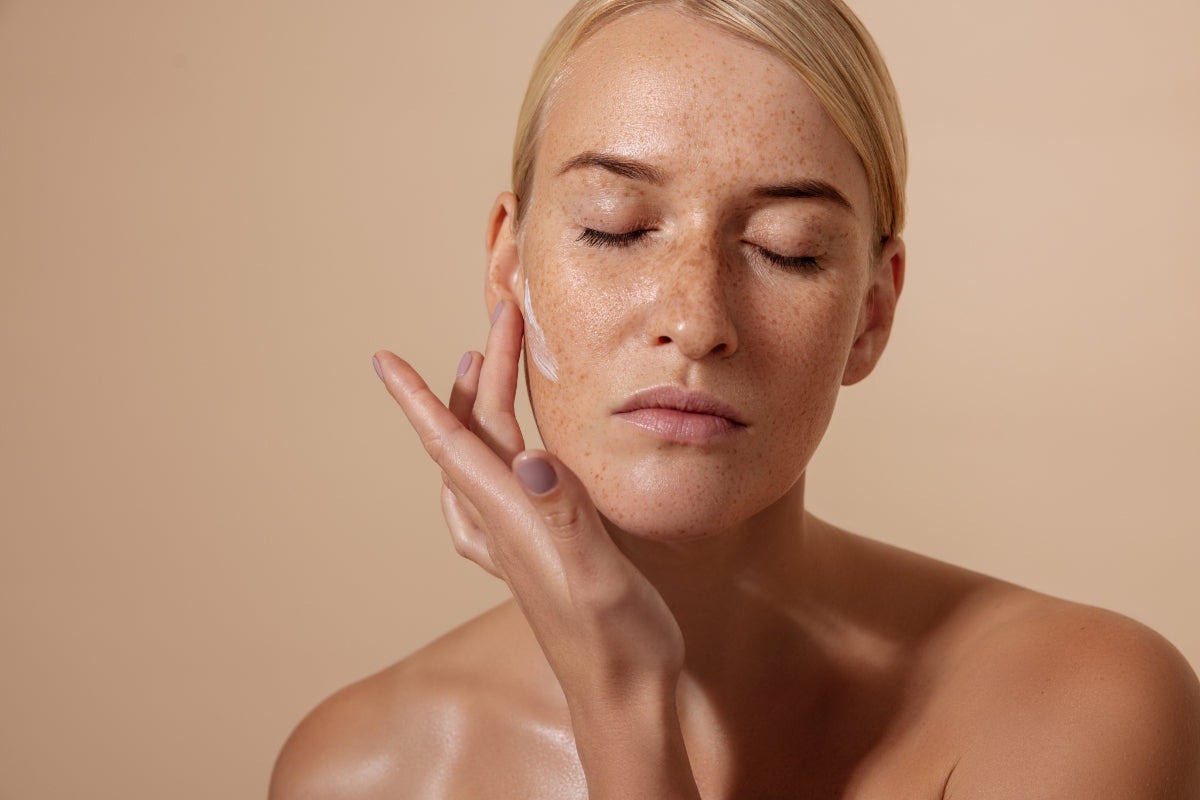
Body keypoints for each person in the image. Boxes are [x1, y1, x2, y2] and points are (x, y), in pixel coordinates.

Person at [270, 0, 1200, 796]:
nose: (696, 319)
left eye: (788, 248)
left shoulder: (1077, 708)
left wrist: (623, 698)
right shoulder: (366, 771)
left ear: (871, 313)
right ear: (509, 268)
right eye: (615, 228)